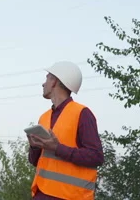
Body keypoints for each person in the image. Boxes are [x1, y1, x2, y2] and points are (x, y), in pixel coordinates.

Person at [27, 61, 104, 200]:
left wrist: (57, 148)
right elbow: (34, 161)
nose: (43, 84)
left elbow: (96, 156)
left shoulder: (82, 113)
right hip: (41, 194)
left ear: (55, 81)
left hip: (70, 196)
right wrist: (34, 146)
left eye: (47, 78)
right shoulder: (43, 118)